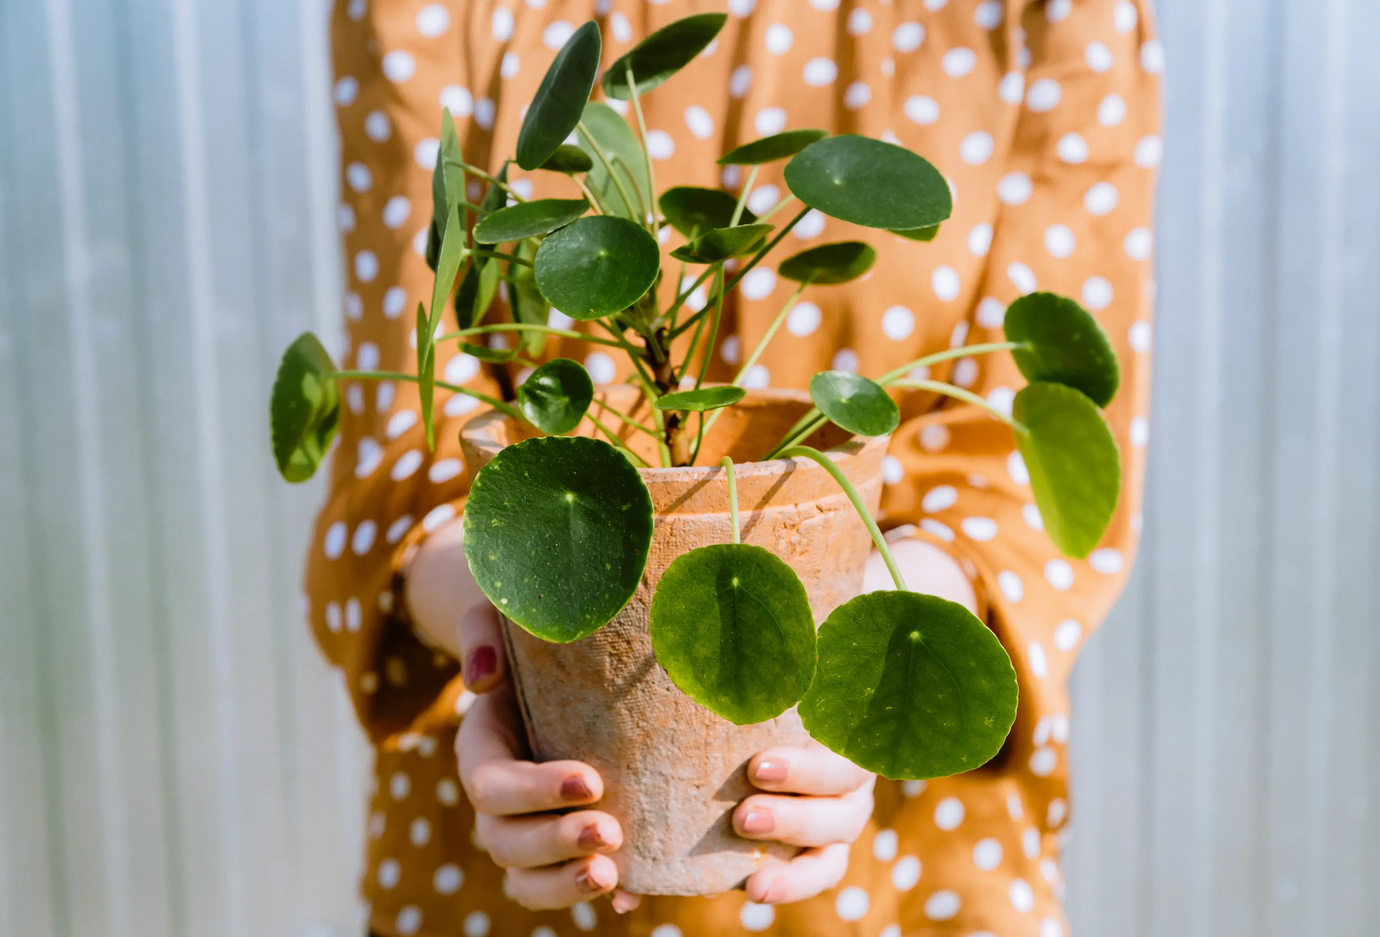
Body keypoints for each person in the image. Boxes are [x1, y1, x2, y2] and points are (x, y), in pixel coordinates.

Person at [307, 1, 1160, 934]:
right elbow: (406, 463)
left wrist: (854, 660)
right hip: (524, 830)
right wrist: (498, 647)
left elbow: (1023, 480)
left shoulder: (1050, 15)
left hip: (900, 861)